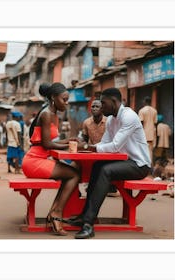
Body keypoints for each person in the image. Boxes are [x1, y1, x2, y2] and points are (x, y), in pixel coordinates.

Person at [68, 87, 151, 239]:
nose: (101, 107)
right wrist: (86, 148)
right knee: (97, 165)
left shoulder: (129, 117)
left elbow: (114, 146)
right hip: (125, 160)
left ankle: (88, 223)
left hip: (139, 165)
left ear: (114, 102)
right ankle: (84, 215)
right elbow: (105, 143)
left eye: (104, 104)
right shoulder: (112, 120)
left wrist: (87, 147)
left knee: (106, 170)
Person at [22, 82, 81, 236]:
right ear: (54, 98)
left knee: (72, 172)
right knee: (74, 174)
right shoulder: (47, 114)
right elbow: (47, 144)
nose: (66, 103)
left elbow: (49, 141)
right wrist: (69, 147)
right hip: (34, 160)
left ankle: (54, 212)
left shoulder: (52, 113)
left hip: (40, 157)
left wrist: (69, 140)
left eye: (67, 100)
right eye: (64, 100)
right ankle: (56, 214)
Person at [81, 99, 119, 197]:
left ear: (102, 109)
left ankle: (109, 186)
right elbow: (84, 140)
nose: (94, 108)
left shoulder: (109, 121)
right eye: (92, 106)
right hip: (93, 152)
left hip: (108, 152)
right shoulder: (86, 122)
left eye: (97, 106)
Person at [138, 96, 158, 162]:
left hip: (144, 134)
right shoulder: (154, 111)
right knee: (150, 151)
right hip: (152, 134)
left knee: (143, 151)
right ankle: (150, 166)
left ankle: (145, 165)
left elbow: (140, 123)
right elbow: (155, 123)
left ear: (145, 101)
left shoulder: (142, 111)